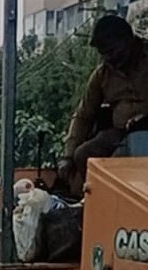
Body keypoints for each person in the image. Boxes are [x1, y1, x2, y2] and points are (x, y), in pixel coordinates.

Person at [59, 15, 148, 197]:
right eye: (104, 53)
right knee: (83, 154)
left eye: (113, 51)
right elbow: (83, 116)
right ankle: (99, 204)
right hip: (120, 133)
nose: (109, 58)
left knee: (140, 142)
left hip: (145, 130)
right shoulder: (102, 75)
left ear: (128, 39)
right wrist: (67, 156)